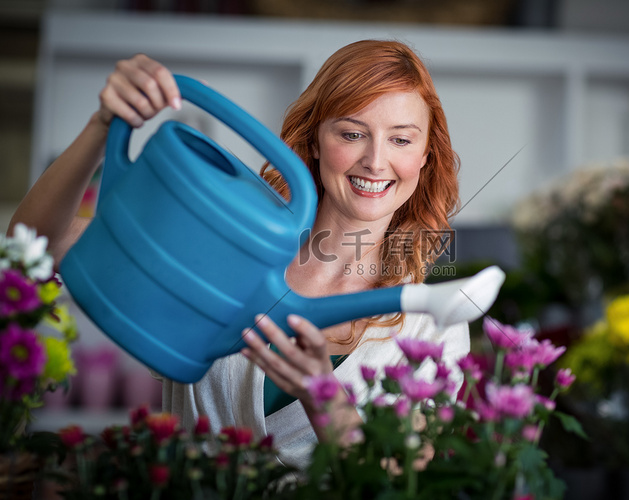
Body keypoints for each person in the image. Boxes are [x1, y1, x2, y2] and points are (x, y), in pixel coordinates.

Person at [8, 40, 469, 470]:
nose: (375, 160)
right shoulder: (225, 240)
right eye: (352, 133)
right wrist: (103, 124)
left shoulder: (434, 326)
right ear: (314, 140)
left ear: (426, 155)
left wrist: (324, 399)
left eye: (402, 140)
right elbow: (39, 244)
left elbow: (407, 480)